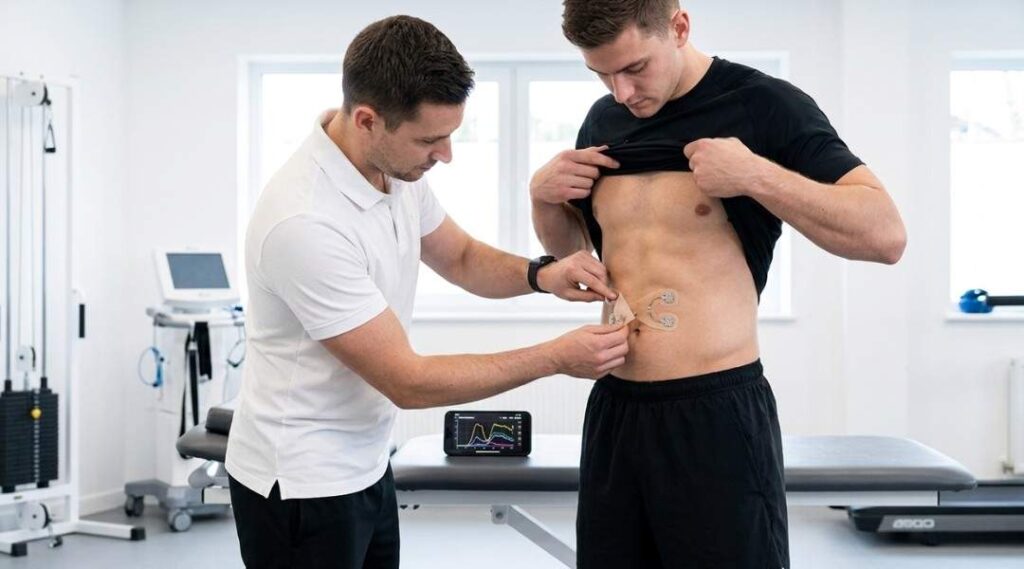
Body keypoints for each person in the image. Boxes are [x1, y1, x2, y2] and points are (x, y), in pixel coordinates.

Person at [224, 15, 629, 569]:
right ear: (368, 120)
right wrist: (556, 356)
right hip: (300, 482)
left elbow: (460, 257)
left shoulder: (394, 171)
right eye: (431, 139)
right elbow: (407, 382)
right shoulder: (305, 222)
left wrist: (544, 274)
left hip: (366, 464)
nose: (445, 155)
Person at [530, 2, 907, 567]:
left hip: (715, 413)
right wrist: (541, 195)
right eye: (602, 74)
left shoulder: (763, 105)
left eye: (635, 68)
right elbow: (574, 252)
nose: (622, 91)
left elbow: (885, 235)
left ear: (679, 28)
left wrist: (756, 175)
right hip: (615, 410)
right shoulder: (603, 120)